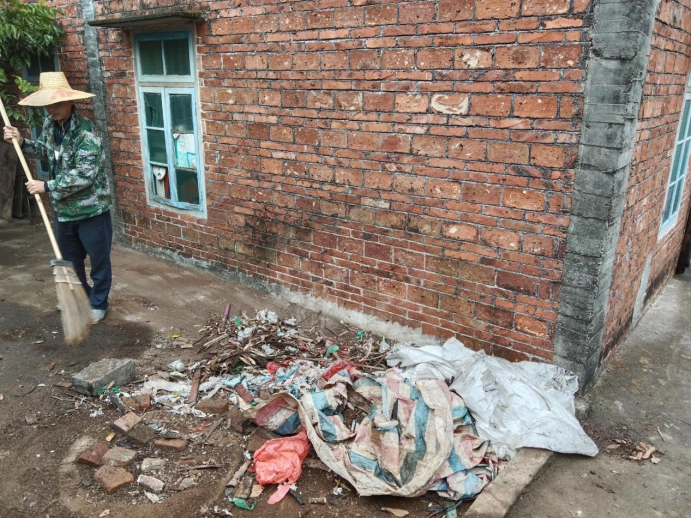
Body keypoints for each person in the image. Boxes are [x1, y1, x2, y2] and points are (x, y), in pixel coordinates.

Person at [3, 72, 112, 324]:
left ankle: (98, 303)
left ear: (70, 101)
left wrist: (46, 185)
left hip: (91, 211)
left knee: (99, 263)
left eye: (57, 103)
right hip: (64, 211)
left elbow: (84, 176)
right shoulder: (51, 127)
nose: (51, 109)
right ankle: (81, 298)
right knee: (70, 261)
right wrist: (21, 141)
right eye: (48, 104)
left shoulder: (87, 132)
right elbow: (44, 151)